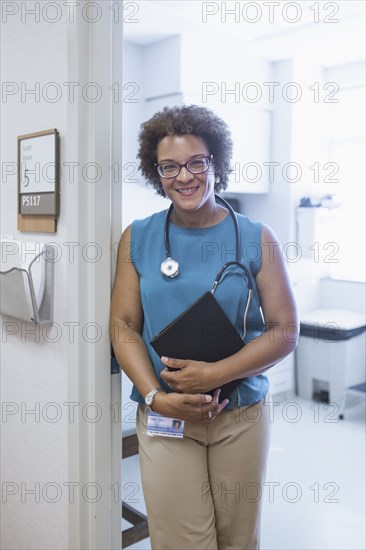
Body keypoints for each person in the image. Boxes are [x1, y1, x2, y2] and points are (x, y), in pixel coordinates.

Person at [110, 105, 298, 550]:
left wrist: (216, 375)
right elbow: (122, 325)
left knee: (238, 538)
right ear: (156, 173)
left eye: (197, 162)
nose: (185, 176)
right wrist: (157, 397)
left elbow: (284, 329)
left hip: (239, 415)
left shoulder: (257, 237)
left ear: (217, 163)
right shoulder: (138, 237)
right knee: (180, 540)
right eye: (169, 166)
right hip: (166, 416)